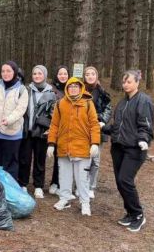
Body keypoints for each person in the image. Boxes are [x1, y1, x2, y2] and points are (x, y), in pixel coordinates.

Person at [101, 70, 154, 232]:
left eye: (129, 82)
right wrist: (105, 128)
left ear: (137, 82)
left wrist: (143, 140)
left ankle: (138, 215)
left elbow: (145, 125)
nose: (125, 85)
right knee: (120, 181)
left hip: (135, 149)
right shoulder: (122, 103)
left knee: (125, 180)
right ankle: (130, 213)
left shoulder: (144, 101)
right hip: (118, 147)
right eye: (124, 82)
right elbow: (119, 126)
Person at [46, 77, 100, 216]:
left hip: (82, 148)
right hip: (64, 147)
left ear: (81, 88)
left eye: (76, 86)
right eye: (71, 86)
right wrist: (51, 144)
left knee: (82, 178)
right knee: (64, 176)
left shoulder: (88, 103)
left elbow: (94, 125)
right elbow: (54, 125)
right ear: (67, 89)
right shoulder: (60, 104)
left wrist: (95, 143)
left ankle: (85, 202)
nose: (73, 88)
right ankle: (64, 198)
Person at [18, 65, 56, 199]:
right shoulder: (26, 90)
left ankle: (38, 186)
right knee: (24, 159)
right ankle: (22, 183)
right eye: (34, 74)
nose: (37, 76)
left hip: (41, 132)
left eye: (40, 74)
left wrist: (50, 129)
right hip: (27, 130)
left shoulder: (51, 93)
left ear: (45, 75)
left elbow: (54, 114)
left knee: (40, 160)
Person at [83, 66, 112, 199]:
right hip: (83, 129)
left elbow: (108, 108)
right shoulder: (80, 90)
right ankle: (80, 185)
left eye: (92, 74)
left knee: (95, 159)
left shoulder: (102, 91)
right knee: (82, 159)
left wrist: (103, 121)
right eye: (87, 74)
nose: (90, 76)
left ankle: (91, 187)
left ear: (96, 76)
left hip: (98, 129)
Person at [48, 65, 70, 196]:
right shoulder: (51, 90)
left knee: (67, 157)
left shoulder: (72, 88)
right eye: (60, 74)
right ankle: (54, 182)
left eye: (65, 74)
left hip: (70, 129)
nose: (63, 76)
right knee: (58, 157)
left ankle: (65, 184)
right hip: (56, 127)